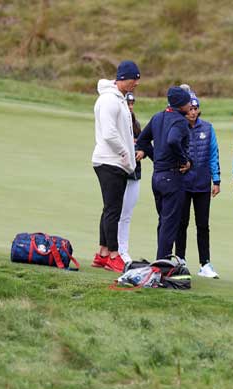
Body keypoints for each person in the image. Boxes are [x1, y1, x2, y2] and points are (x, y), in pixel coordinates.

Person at [91, 60, 140, 273]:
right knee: (114, 210)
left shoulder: (117, 98)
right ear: (124, 79)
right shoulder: (110, 100)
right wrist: (125, 154)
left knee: (109, 208)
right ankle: (113, 255)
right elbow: (110, 134)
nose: (136, 84)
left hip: (113, 162)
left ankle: (102, 253)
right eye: (134, 80)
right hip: (110, 161)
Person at [136, 86, 192, 261]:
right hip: (172, 177)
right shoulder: (180, 121)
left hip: (157, 177)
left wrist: (156, 157)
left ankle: (161, 260)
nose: (191, 104)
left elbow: (143, 140)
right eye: (188, 101)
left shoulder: (158, 117)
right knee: (170, 223)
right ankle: (162, 266)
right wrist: (184, 161)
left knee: (164, 221)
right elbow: (173, 140)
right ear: (180, 104)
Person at [174, 90, 221, 279]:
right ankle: (180, 259)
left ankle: (205, 263)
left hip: (202, 183)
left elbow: (213, 155)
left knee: (202, 225)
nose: (193, 112)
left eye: (196, 108)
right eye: (190, 109)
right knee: (181, 223)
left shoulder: (207, 128)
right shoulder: (179, 127)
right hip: (183, 184)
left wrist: (216, 180)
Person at [117, 91, 142, 264]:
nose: (130, 107)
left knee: (127, 213)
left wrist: (143, 151)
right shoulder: (118, 122)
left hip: (134, 174)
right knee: (116, 212)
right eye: (128, 103)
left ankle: (123, 250)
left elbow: (144, 144)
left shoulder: (136, 124)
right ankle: (115, 250)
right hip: (119, 173)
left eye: (132, 104)